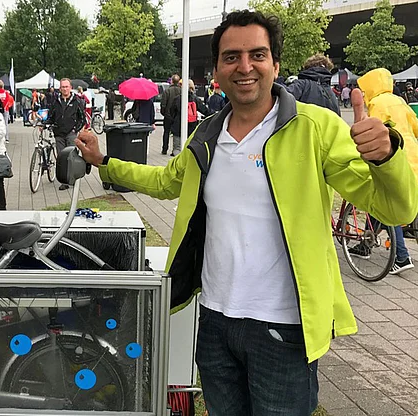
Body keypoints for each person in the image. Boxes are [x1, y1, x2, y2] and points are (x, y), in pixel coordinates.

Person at [74, 10, 417, 415]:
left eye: (257, 54)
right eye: (231, 56)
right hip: (215, 322)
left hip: (283, 328)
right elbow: (166, 181)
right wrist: (104, 162)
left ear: (275, 64)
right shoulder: (207, 134)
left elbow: (396, 209)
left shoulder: (316, 128)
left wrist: (386, 158)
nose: (245, 66)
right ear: (218, 69)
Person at [354, 68, 418, 274]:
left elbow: (376, 132)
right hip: (413, 155)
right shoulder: (399, 101)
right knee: (380, 205)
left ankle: (401, 256)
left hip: (395, 158)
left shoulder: (377, 103)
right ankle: (365, 245)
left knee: (390, 205)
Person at [46, 78, 86, 191]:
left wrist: (75, 129)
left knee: (71, 156)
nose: (64, 89)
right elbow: (51, 116)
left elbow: (82, 118)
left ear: (70, 88)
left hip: (71, 133)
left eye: (66, 87)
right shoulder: (55, 100)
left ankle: (73, 178)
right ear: (60, 88)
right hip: (58, 133)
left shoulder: (77, 100)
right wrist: (45, 123)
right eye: (62, 87)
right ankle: (64, 181)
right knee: (61, 158)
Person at [169, 80, 211, 152]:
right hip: (191, 127)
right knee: (189, 148)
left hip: (178, 126)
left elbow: (171, 111)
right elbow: (205, 110)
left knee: (177, 148)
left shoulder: (177, 99)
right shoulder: (195, 99)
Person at [161, 74, 182, 155]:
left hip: (168, 115)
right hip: (178, 116)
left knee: (166, 132)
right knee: (177, 133)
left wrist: (164, 113)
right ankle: (176, 149)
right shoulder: (181, 91)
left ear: (172, 81)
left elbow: (163, 104)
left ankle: (164, 149)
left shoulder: (167, 91)